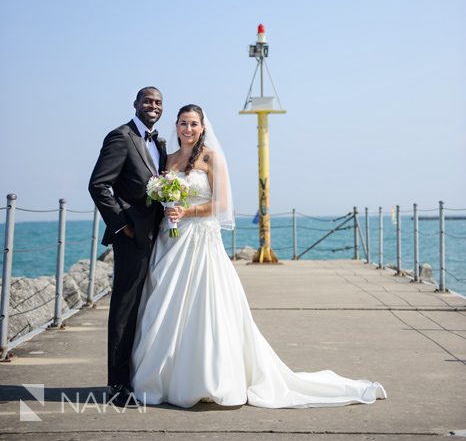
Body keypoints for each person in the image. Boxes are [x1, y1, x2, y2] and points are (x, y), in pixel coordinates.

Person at [130, 104, 387, 408]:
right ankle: (163, 377)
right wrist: (169, 208)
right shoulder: (169, 159)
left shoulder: (211, 158)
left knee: (206, 305)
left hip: (201, 240)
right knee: (166, 304)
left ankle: (208, 378)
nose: (188, 129)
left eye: (194, 124)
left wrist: (187, 210)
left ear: (202, 127)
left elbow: (221, 204)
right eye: (183, 123)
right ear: (176, 126)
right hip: (171, 240)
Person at [89, 86, 167, 407]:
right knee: (124, 309)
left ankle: (140, 375)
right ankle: (117, 385)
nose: (153, 105)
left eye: (158, 102)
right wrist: (122, 224)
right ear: (135, 104)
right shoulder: (120, 136)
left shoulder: (160, 142)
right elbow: (98, 184)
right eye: (148, 100)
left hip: (160, 237)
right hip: (131, 238)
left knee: (148, 306)